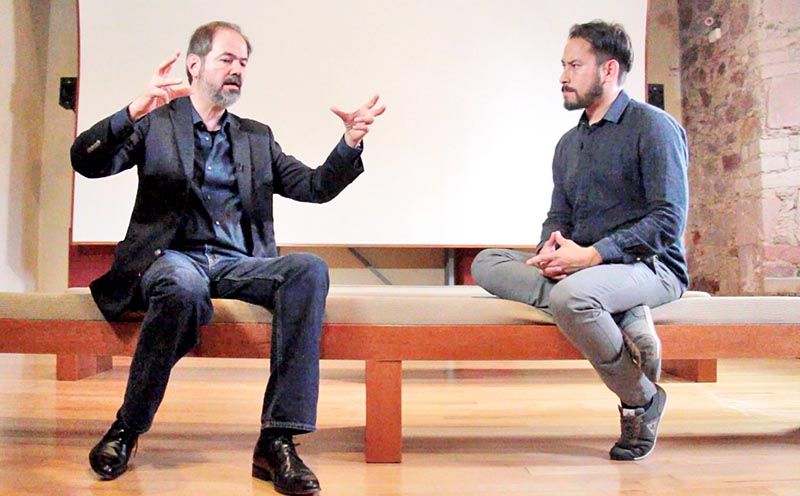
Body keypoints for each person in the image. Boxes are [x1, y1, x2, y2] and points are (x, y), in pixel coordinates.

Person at [72, 21, 384, 494]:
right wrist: (134, 109)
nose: (237, 70)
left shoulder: (256, 137)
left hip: (240, 263)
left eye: (243, 63)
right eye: (227, 59)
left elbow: (315, 187)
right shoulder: (157, 122)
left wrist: (351, 142)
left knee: (308, 269)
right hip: (175, 258)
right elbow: (86, 161)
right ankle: (127, 427)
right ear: (194, 65)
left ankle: (278, 441)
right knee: (181, 286)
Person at [471, 20, 688, 461]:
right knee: (486, 262)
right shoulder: (569, 144)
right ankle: (625, 314)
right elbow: (559, 214)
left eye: (574, 65)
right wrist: (549, 252)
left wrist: (592, 256)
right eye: (563, 65)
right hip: (584, 269)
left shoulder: (654, 127)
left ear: (608, 70)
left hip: (650, 266)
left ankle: (641, 399)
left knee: (573, 298)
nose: (563, 76)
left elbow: (669, 221)